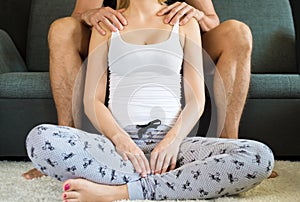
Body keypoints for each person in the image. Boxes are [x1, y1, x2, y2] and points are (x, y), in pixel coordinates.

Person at [25, 0, 275, 201]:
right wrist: (121, 141)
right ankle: (173, 181)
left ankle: (118, 190)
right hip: (117, 147)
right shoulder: (106, 27)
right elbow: (93, 98)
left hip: (174, 147)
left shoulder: (184, 24)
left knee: (257, 157)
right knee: (40, 140)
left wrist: (172, 142)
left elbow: (197, 96)